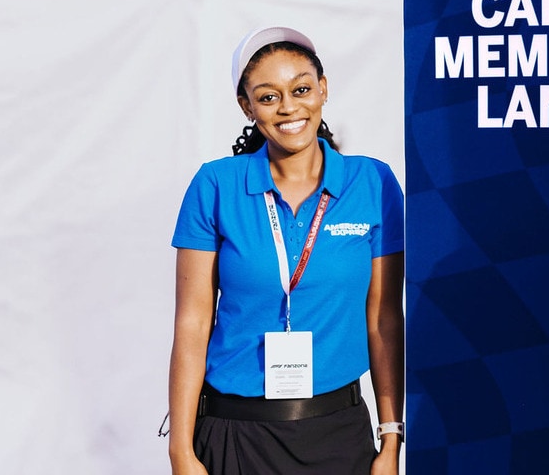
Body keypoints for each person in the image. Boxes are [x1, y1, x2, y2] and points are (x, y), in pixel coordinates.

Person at [167, 26, 405, 475]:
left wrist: (391, 439)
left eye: (300, 89)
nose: (289, 107)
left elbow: (384, 320)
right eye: (268, 96)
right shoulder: (215, 185)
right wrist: (181, 451)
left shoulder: (373, 183)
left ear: (323, 89)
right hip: (234, 434)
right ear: (247, 106)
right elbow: (192, 323)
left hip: (339, 436)